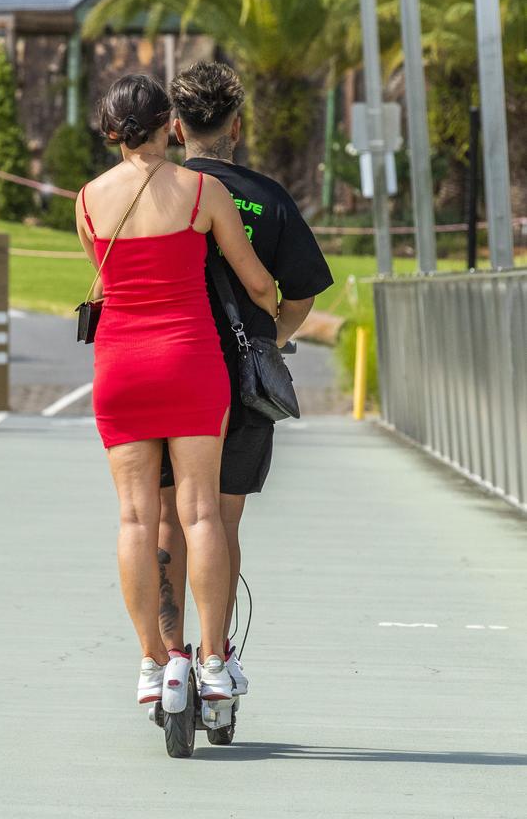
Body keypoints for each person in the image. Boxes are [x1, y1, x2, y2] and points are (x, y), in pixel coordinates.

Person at [75, 74, 277, 707]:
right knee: (200, 513)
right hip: (190, 362)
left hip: (122, 367)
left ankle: (151, 662)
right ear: (172, 124)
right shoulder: (202, 191)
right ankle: (213, 661)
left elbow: (106, 282)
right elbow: (258, 284)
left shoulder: (87, 200)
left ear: (110, 131)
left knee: (137, 517)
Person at [158, 61, 334, 693]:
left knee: (165, 521)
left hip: (167, 367)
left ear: (176, 126)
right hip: (242, 377)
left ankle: (168, 657)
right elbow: (304, 291)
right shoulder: (266, 197)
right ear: (238, 124)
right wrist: (270, 340)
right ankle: (216, 657)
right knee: (220, 522)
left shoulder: (159, 192)